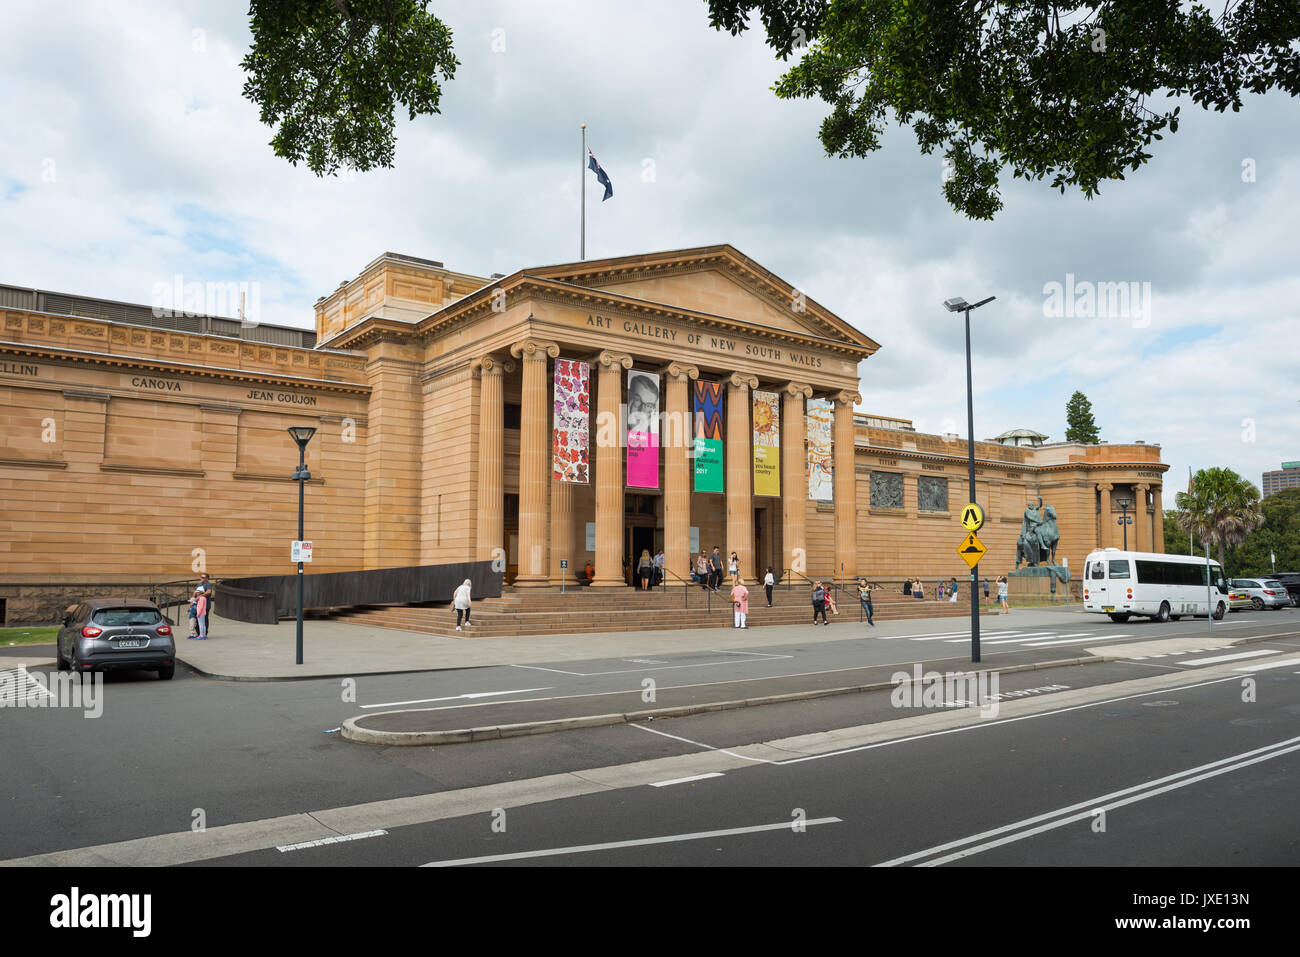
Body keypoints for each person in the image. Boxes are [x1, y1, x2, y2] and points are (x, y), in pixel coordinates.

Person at [195, 572, 214, 637]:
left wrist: (200, 596)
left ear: (207, 578)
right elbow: (195, 593)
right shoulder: (199, 584)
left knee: (205, 619)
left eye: (203, 577)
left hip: (205, 605)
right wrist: (193, 599)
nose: (201, 578)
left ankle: (204, 634)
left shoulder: (208, 584)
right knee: (197, 619)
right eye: (201, 577)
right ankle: (198, 633)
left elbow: (209, 592)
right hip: (198, 604)